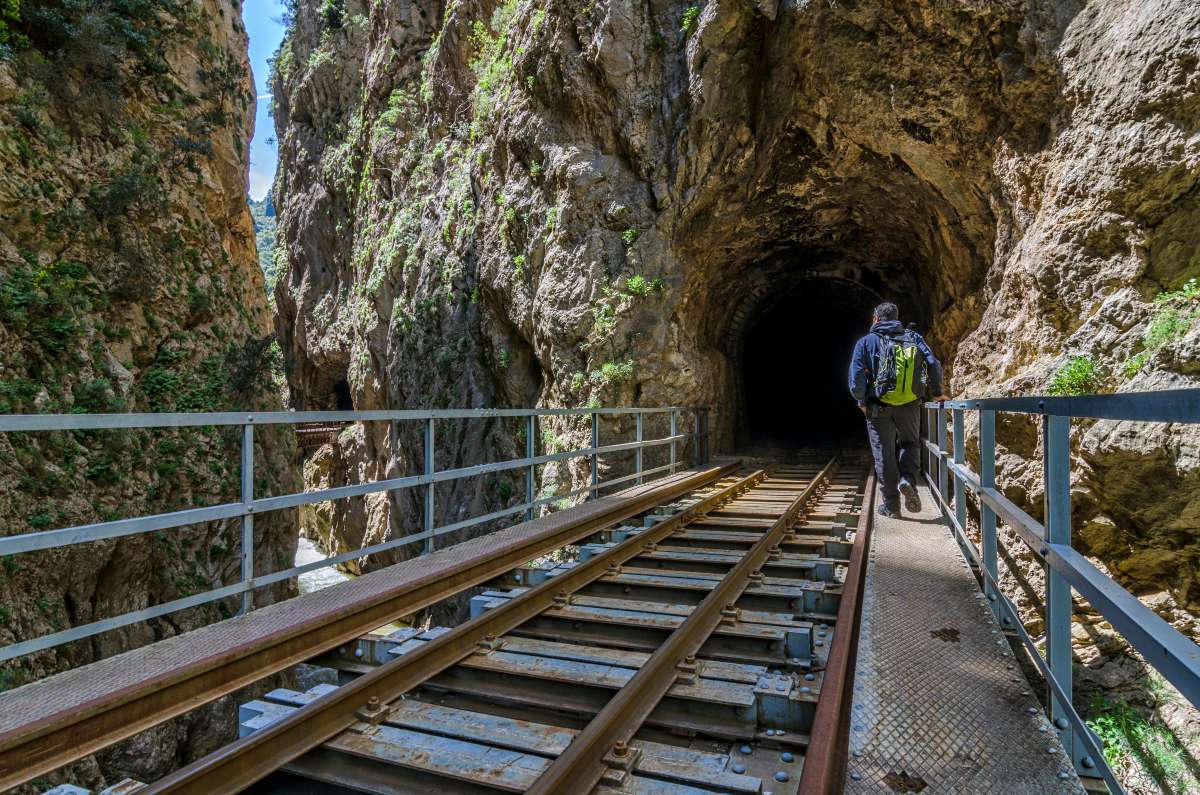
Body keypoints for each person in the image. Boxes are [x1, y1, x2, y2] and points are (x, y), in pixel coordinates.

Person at [848, 302, 948, 518]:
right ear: (897, 318)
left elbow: (856, 378)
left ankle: (892, 507)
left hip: (877, 406)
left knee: (883, 453)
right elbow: (933, 364)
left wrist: (861, 400)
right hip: (910, 404)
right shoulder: (913, 338)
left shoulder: (866, 342)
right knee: (910, 444)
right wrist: (937, 392)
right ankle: (907, 480)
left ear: (876, 318)